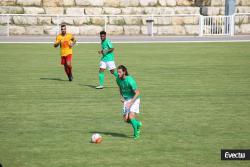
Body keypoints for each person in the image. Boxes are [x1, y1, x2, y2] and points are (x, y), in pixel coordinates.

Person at [116, 65, 142, 139]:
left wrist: (131, 103)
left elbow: (137, 92)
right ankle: (137, 124)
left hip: (135, 98)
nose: (118, 74)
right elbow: (120, 87)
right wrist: (121, 96)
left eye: (120, 72)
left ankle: (136, 134)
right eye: (118, 72)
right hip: (127, 99)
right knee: (125, 119)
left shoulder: (130, 81)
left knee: (131, 116)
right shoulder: (118, 79)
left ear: (124, 72)